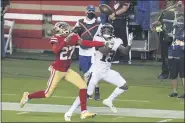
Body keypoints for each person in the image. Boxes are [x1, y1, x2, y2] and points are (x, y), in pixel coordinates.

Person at [19, 21, 111, 120]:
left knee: (83, 86)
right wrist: (65, 41)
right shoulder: (56, 38)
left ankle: (84, 112)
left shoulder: (73, 37)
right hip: (57, 71)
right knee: (47, 94)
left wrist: (102, 43)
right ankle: (28, 96)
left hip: (67, 70)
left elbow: (85, 43)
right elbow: (55, 50)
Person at [64, 23, 133, 121]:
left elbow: (125, 52)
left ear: (112, 31)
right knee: (87, 94)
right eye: (105, 30)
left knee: (124, 86)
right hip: (96, 71)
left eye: (108, 30)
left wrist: (129, 44)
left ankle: (109, 100)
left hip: (106, 70)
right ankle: (69, 112)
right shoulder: (98, 39)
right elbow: (104, 51)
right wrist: (110, 44)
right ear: (101, 31)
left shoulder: (116, 40)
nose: (106, 32)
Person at [73, 5, 101, 100]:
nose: (91, 12)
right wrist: (76, 32)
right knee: (85, 73)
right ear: (86, 11)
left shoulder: (98, 23)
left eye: (92, 11)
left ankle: (96, 90)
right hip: (82, 51)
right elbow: (74, 33)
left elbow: (100, 36)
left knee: (93, 73)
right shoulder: (80, 22)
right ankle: (87, 92)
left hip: (92, 51)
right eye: (89, 10)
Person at [168, 18, 184, 98]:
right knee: (173, 75)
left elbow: (183, 44)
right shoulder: (175, 29)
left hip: (182, 56)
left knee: (183, 76)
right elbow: (171, 42)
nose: (178, 24)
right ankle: (174, 91)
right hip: (173, 55)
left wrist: (175, 38)